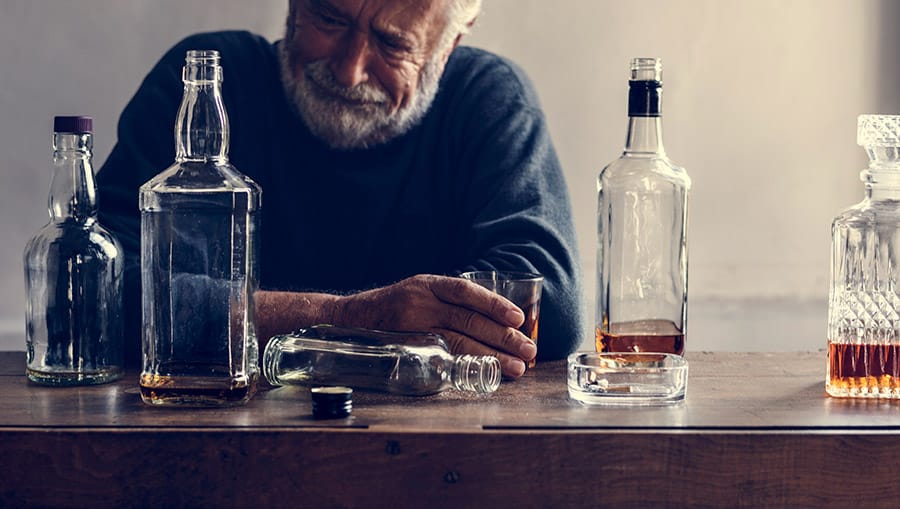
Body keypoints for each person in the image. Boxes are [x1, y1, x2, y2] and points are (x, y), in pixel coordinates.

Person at [96, 0, 584, 379]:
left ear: (447, 45)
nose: (349, 69)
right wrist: (356, 316)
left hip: (428, 452)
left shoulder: (487, 99)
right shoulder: (205, 83)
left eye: (392, 44)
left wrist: (242, 318)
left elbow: (548, 308)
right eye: (329, 19)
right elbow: (93, 288)